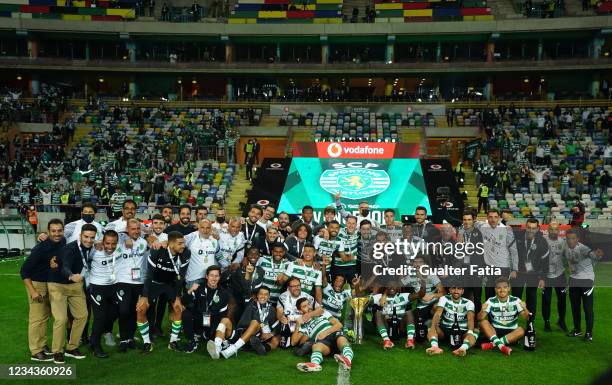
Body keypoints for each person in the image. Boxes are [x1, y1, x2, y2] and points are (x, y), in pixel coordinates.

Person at [136, 231, 191, 353]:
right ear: (171, 244)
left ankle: (173, 341)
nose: (183, 246)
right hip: (154, 283)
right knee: (141, 309)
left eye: (183, 243)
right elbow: (149, 274)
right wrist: (144, 296)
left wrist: (177, 296)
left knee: (178, 308)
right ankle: (146, 342)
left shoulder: (186, 253)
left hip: (170, 284)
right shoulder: (157, 250)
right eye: (180, 243)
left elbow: (180, 276)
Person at [47, 224, 96, 363]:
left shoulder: (92, 247)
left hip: (75, 286)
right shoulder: (70, 248)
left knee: (82, 315)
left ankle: (71, 347)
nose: (89, 240)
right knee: (61, 319)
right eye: (86, 237)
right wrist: (70, 276)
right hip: (58, 285)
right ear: (80, 236)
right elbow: (65, 266)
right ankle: (57, 351)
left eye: (92, 238)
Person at [20, 218, 66, 362]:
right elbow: (24, 271)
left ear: (63, 231)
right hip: (37, 284)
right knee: (37, 318)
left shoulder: (63, 242)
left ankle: (42, 344)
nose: (56, 234)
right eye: (53, 231)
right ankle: (36, 351)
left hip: (50, 284)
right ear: (48, 231)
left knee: (45, 317)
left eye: (59, 231)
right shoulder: (40, 248)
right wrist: (33, 291)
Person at [180, 266, 234, 355]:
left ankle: (206, 334)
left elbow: (223, 315)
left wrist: (218, 331)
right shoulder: (199, 287)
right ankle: (192, 341)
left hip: (213, 320)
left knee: (211, 338)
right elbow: (184, 302)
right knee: (186, 314)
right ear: (207, 276)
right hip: (199, 318)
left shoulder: (224, 294)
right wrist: (190, 290)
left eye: (216, 276)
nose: (214, 278)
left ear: (219, 277)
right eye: (211, 275)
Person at [292, 298, 354, 373]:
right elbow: (293, 342)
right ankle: (314, 364)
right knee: (316, 346)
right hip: (324, 343)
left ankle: (347, 360)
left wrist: (325, 332)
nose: (308, 307)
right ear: (300, 311)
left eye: (308, 304)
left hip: (333, 334)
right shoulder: (303, 325)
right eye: (304, 306)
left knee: (341, 339)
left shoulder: (322, 313)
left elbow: (339, 325)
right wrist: (297, 325)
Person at [115, 219, 149, 352]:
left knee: (136, 311)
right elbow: (109, 233)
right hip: (123, 281)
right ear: (127, 229)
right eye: (132, 229)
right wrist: (123, 237)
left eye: (137, 229)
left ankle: (130, 337)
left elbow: (145, 262)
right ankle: (123, 338)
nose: (135, 231)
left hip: (139, 282)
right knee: (123, 310)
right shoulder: (119, 240)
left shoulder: (143, 242)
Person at [564, 228, 603, 341]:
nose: (571, 241)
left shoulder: (583, 248)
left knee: (587, 308)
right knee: (575, 307)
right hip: (574, 280)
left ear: (578, 239)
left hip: (586, 280)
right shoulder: (565, 247)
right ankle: (577, 330)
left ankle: (589, 333)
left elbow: (592, 255)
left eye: (573, 238)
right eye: (568, 238)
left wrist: (597, 255)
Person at [219, 286, 281, 358]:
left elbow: (275, 326)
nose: (263, 296)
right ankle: (231, 348)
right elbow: (244, 326)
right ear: (257, 295)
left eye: (266, 294)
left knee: (277, 339)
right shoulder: (250, 305)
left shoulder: (271, 309)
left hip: (259, 337)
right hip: (243, 335)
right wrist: (261, 330)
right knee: (255, 322)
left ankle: (264, 348)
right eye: (261, 294)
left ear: (269, 296)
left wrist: (270, 334)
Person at [88, 230, 121, 358]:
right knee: (99, 317)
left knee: (117, 311)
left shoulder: (119, 248)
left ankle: (103, 333)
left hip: (113, 286)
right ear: (102, 242)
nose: (110, 247)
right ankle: (95, 346)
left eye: (113, 244)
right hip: (97, 287)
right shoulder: (94, 250)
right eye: (107, 243)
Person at [478, 277, 529, 356]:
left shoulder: (516, 300)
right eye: (499, 288)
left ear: (509, 288)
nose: (502, 290)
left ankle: (493, 344)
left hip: (512, 331)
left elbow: (527, 318)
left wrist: (525, 308)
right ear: (495, 289)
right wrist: (482, 310)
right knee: (483, 322)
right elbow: (479, 318)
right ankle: (502, 345)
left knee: (521, 330)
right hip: (495, 331)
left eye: (505, 287)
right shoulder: (491, 300)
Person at [425, 283, 477, 357]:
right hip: (445, 329)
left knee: (474, 331)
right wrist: (433, 327)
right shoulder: (444, 298)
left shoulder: (469, 303)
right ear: (450, 290)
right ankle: (435, 347)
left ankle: (462, 349)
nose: (456, 291)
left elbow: (470, 319)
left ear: (462, 291)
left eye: (459, 289)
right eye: (453, 288)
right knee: (430, 323)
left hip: (461, 330)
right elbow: (438, 313)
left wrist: (470, 332)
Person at [512, 218, 549, 318]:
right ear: (525, 226)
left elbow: (545, 261)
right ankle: (512, 322)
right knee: (515, 298)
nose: (531, 230)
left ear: (537, 228)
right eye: (529, 228)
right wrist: (512, 269)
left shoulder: (542, 241)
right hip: (518, 272)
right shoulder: (517, 236)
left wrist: (542, 278)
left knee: (531, 298)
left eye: (533, 228)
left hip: (533, 274)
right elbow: (508, 252)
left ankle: (530, 324)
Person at [478, 208, 519, 299]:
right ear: (487, 218)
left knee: (502, 295)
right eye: (490, 217)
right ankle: (491, 313)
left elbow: (514, 251)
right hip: (488, 267)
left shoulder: (507, 230)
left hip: (503, 267)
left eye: (495, 217)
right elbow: (469, 223)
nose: (493, 220)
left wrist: (515, 269)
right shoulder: (482, 227)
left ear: (499, 218)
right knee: (488, 296)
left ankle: (504, 313)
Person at [372, 281, 424, 350]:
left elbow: (420, 295)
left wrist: (423, 283)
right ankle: (386, 341)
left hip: (401, 326)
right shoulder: (379, 297)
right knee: (378, 313)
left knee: (408, 312)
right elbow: (364, 300)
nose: (391, 287)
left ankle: (410, 341)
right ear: (386, 287)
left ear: (398, 287)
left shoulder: (405, 296)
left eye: (394, 285)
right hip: (387, 325)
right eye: (389, 285)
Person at [542, 221, 568, 332]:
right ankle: (546, 322)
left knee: (562, 299)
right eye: (551, 229)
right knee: (546, 300)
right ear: (548, 231)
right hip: (546, 276)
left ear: (559, 231)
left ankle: (561, 320)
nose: (554, 231)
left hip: (560, 275)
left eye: (556, 229)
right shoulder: (543, 242)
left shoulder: (563, 242)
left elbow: (567, 256)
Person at [183, 219, 221, 289]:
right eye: (202, 227)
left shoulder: (215, 240)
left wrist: (225, 266)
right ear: (198, 228)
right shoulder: (192, 238)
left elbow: (219, 256)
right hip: (193, 279)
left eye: (208, 228)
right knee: (192, 299)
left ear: (211, 229)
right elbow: (178, 240)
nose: (205, 230)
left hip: (209, 279)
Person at [334, 216, 359, 283]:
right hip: (339, 266)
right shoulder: (339, 232)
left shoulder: (359, 233)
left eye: (353, 223)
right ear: (346, 223)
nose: (351, 225)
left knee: (354, 285)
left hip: (352, 266)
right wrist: (324, 231)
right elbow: (327, 230)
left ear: (356, 225)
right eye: (349, 223)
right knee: (338, 287)